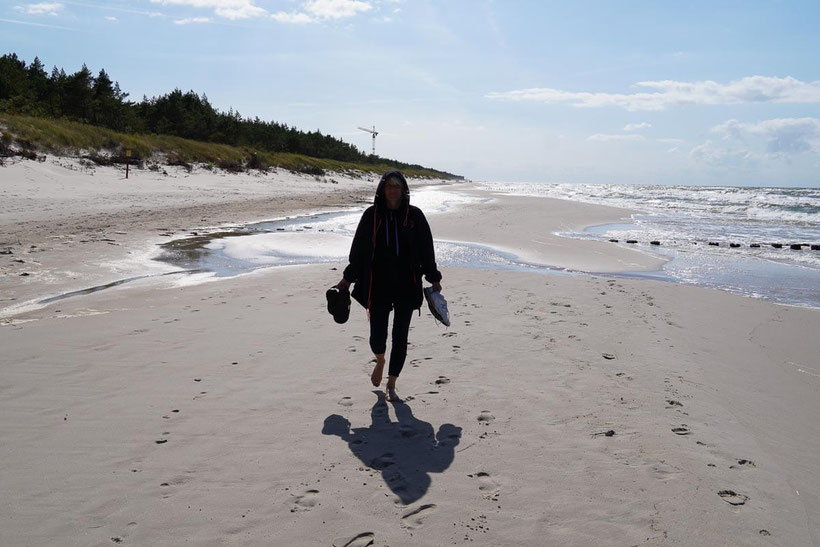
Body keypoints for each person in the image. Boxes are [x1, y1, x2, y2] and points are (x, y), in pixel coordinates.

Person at [335, 170, 442, 401]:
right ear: (382, 189)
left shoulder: (415, 216)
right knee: (377, 336)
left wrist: (434, 278)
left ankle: (392, 384)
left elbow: (427, 250)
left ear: (404, 190)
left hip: (407, 284)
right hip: (378, 285)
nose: (393, 190)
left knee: (400, 336)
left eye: (397, 186)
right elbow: (359, 252)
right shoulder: (371, 216)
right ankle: (380, 360)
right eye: (389, 185)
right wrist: (347, 279)